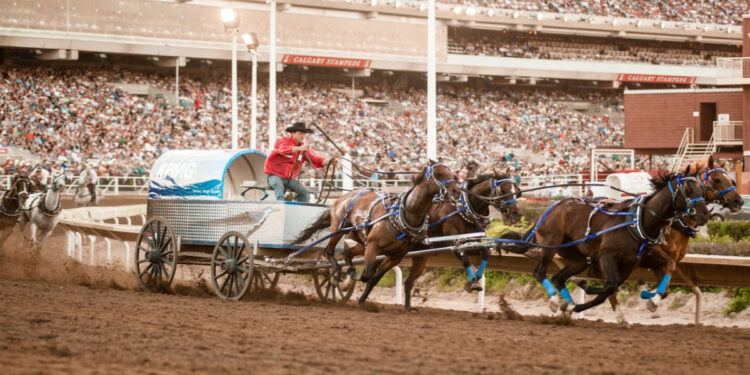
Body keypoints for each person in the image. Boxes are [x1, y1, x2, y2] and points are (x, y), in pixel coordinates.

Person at [263, 122, 334, 203]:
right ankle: (280, 204)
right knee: (278, 186)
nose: (303, 136)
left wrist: (329, 161)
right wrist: (299, 148)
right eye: (300, 133)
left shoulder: (303, 148)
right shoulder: (283, 141)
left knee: (304, 191)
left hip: (289, 178)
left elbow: (317, 159)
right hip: (274, 175)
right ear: (293, 133)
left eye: (304, 134)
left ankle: (302, 208)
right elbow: (283, 149)